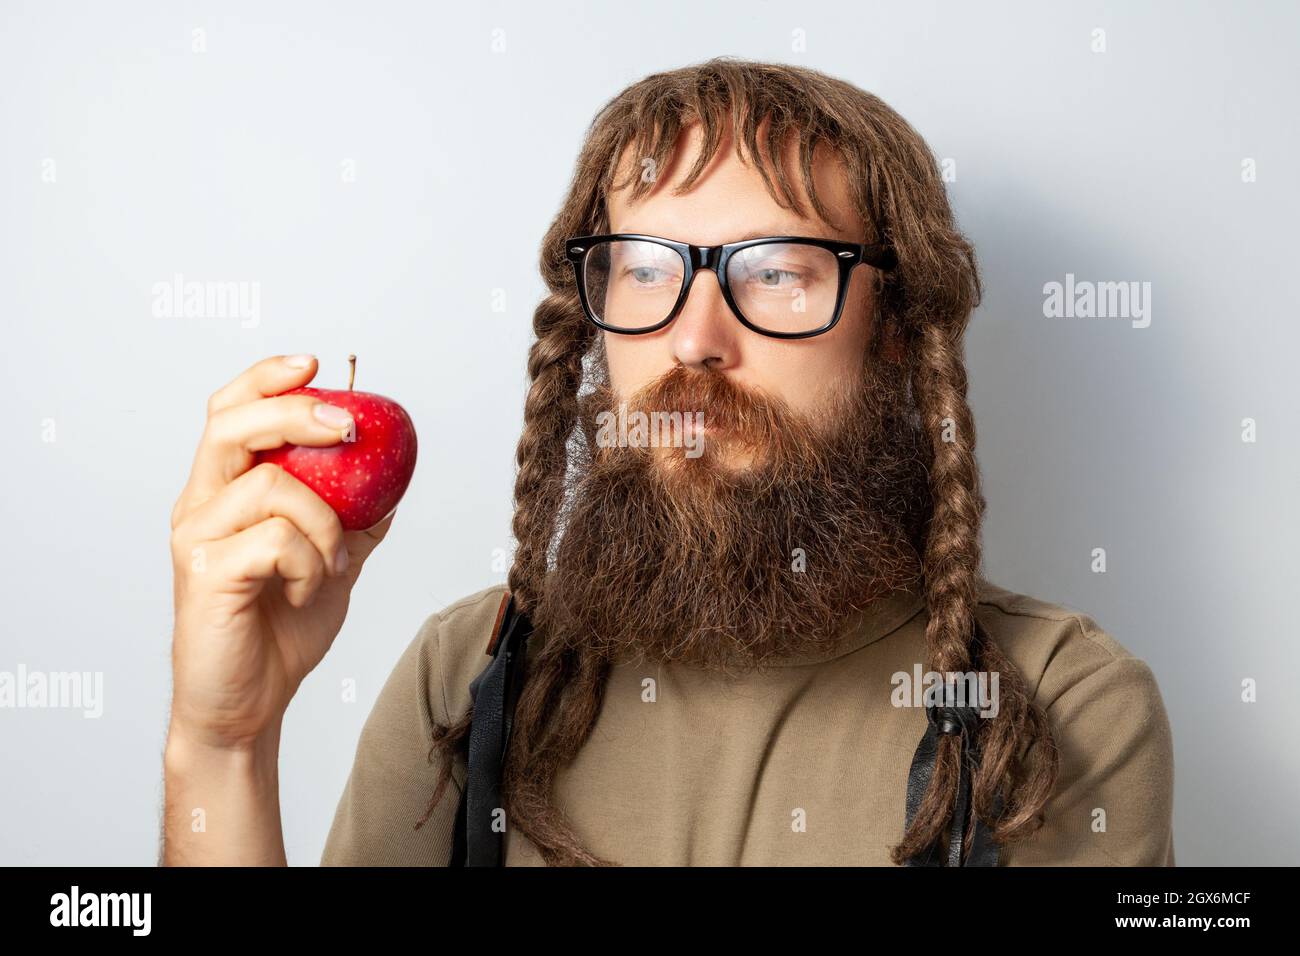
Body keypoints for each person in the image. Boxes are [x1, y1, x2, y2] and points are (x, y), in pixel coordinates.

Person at [162, 57, 1174, 867]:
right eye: (645, 268)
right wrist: (225, 743)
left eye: (774, 271)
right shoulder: (472, 676)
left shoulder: (1055, 703)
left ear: (897, 329)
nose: (693, 339)